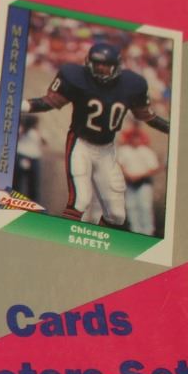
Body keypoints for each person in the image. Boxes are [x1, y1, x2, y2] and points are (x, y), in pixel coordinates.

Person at [24, 41, 170, 226]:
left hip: (106, 149)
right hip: (81, 143)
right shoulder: (76, 77)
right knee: (81, 201)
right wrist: (22, 105)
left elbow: (147, 116)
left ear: (116, 66)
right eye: (97, 64)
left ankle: (97, 236)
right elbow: (50, 102)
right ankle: (66, 234)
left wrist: (170, 128)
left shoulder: (132, 84)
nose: (101, 68)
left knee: (116, 215)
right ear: (89, 63)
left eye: (106, 65)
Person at [116, 125, 163, 235]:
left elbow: (154, 168)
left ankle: (148, 231)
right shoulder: (124, 150)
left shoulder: (146, 151)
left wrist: (140, 176)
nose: (135, 140)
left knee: (145, 207)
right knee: (131, 206)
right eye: (133, 137)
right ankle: (135, 230)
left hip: (143, 182)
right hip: (129, 182)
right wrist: (127, 175)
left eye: (137, 137)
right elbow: (119, 164)